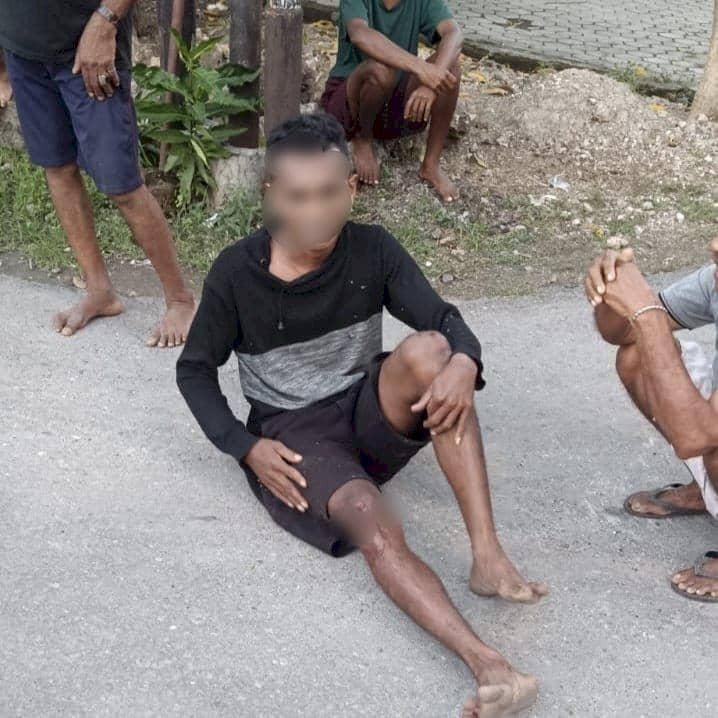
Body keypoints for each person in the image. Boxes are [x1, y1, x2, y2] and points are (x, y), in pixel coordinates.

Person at [177, 113, 547, 716]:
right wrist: (245, 446)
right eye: (298, 196)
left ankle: (487, 556)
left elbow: (443, 318)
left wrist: (465, 361)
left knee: (432, 350)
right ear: (271, 195)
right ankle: (489, 666)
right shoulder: (237, 273)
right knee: (371, 520)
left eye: (330, 192)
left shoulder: (373, 248)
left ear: (352, 187)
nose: (316, 212)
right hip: (296, 434)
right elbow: (194, 370)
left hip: (367, 408)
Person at [0, 1, 195, 346]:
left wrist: (105, 21)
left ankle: (180, 300)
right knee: (57, 167)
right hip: (22, 49)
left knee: (122, 185)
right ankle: (99, 291)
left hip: (86, 48)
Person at [585, 243, 718, 602]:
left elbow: (697, 437)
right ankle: (709, 491)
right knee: (637, 357)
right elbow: (623, 334)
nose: (714, 246)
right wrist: (609, 292)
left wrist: (646, 313)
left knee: (712, 443)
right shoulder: (714, 281)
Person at [319, 0, 463, 202]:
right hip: (352, 103)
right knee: (380, 71)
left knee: (451, 68)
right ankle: (363, 140)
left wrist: (432, 83)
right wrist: (421, 68)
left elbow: (454, 33)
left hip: (394, 105)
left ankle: (430, 165)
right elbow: (360, 34)